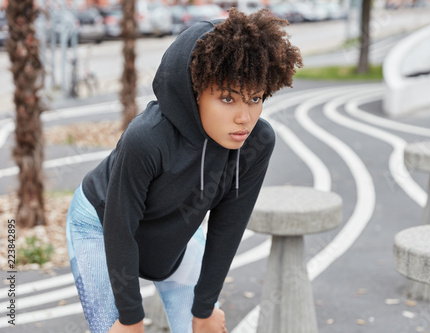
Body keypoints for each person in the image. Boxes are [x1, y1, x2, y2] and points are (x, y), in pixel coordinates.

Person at [66, 8, 302, 333]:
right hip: (100, 222)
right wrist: (131, 319)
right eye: (227, 98)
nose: (245, 117)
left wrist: (204, 309)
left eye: (255, 98)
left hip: (173, 226)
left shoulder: (257, 142)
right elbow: (120, 229)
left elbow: (227, 228)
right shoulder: (146, 138)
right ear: (194, 92)